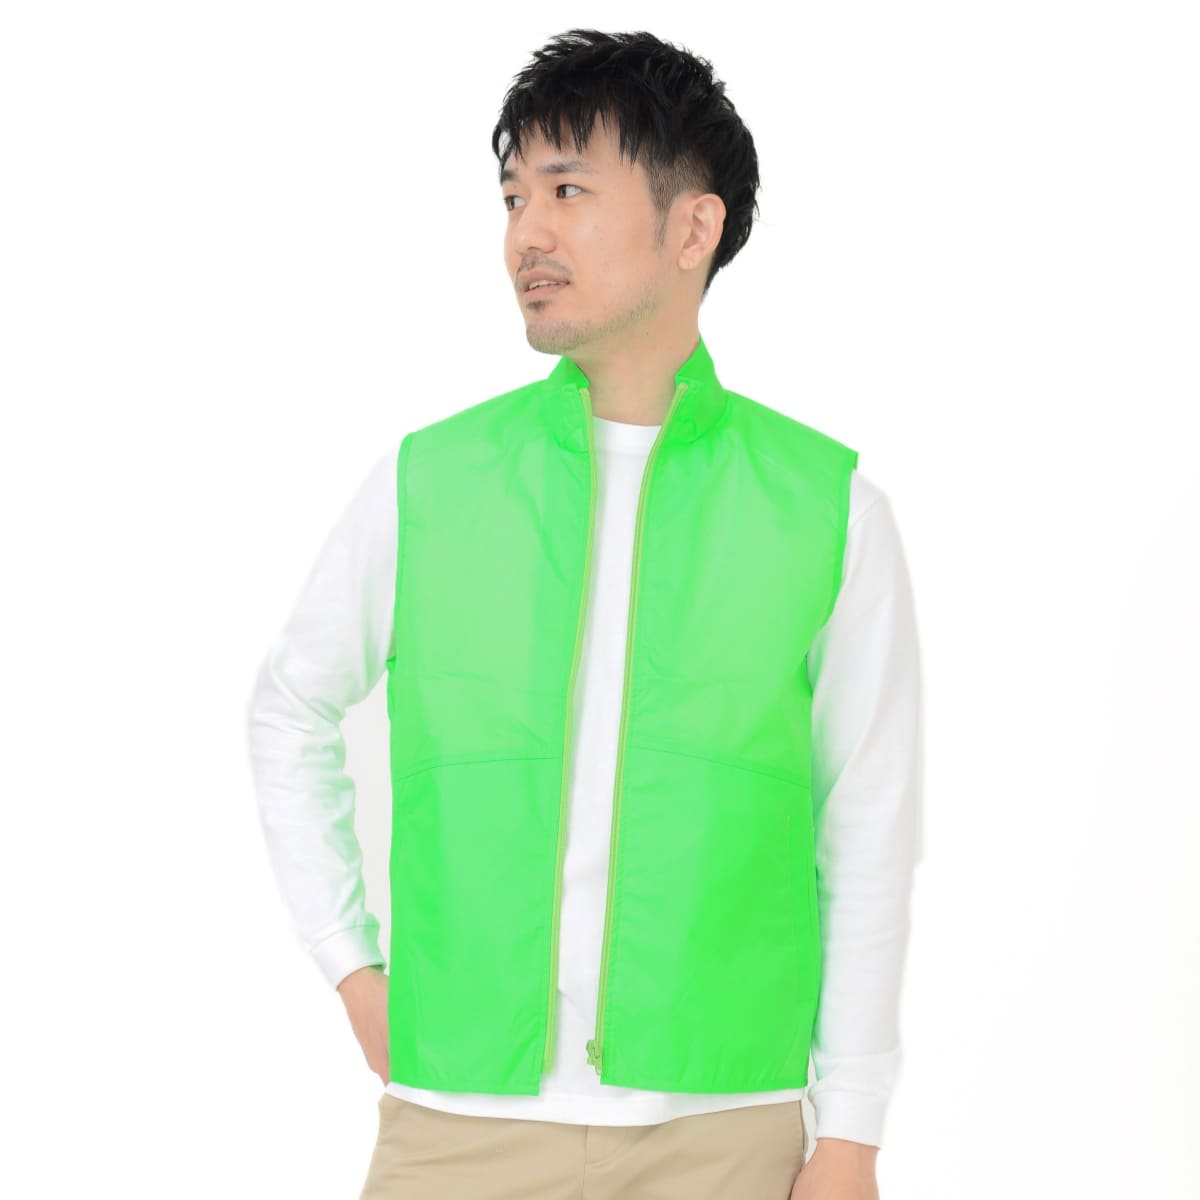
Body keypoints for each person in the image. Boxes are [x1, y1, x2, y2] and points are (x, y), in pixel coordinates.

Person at [245, 27, 922, 1200]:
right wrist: (352, 966)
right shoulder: (430, 481)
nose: (528, 234)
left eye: (568, 191)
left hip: (725, 1130)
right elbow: (288, 710)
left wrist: (852, 1132)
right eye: (514, 198)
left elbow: (868, 827)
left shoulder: (827, 508)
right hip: (459, 1126)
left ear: (693, 228)